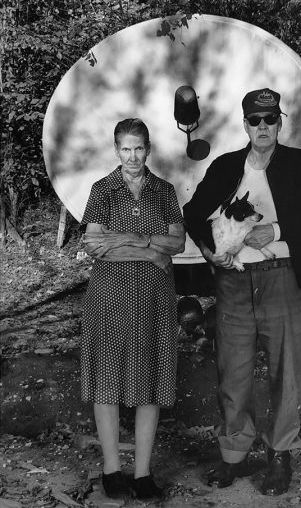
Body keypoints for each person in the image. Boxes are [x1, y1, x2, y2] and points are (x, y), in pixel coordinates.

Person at [183, 88, 301, 496]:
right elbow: (193, 214)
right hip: (233, 282)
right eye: (254, 120)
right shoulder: (227, 167)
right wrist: (212, 254)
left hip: (282, 277)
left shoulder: (300, 165)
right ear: (244, 125)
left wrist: (277, 231)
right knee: (233, 372)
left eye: (269, 119)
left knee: (287, 370)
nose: (262, 127)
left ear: (280, 123)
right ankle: (233, 455)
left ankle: (280, 455)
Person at [81, 118, 185, 500]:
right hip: (110, 294)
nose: (132, 156)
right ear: (115, 150)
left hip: (155, 297)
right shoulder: (102, 190)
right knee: (108, 375)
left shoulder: (163, 190)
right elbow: (93, 244)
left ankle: (141, 475)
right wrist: (147, 247)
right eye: (125, 148)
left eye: (139, 148)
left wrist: (123, 240)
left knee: (151, 377)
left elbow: (177, 241)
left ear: (148, 149)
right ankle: (112, 470)